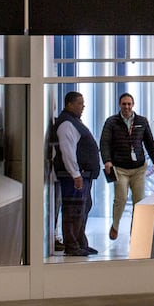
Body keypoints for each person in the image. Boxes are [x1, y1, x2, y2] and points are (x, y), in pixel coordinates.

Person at [99, 92, 154, 241]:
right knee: (121, 198)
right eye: (124, 104)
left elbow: (149, 142)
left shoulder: (141, 121)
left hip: (139, 168)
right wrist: (107, 160)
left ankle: (136, 231)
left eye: (129, 104)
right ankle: (115, 225)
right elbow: (104, 142)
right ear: (120, 105)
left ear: (133, 105)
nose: (126, 107)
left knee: (139, 201)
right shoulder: (111, 122)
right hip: (119, 168)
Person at [53, 91, 100, 257]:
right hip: (73, 177)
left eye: (83, 103)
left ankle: (80, 242)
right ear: (69, 104)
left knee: (83, 208)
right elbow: (68, 151)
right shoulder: (66, 124)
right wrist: (75, 174)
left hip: (83, 175)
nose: (83, 107)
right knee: (73, 210)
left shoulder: (74, 122)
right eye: (80, 103)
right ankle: (72, 245)